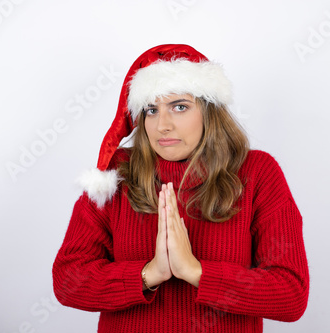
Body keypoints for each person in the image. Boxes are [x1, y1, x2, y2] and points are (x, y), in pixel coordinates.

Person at [52, 44, 309, 333]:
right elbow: (67, 281)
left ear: (209, 111)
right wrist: (150, 274)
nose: (163, 125)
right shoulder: (116, 174)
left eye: (180, 107)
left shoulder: (257, 172)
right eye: (151, 110)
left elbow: (290, 293)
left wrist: (194, 271)